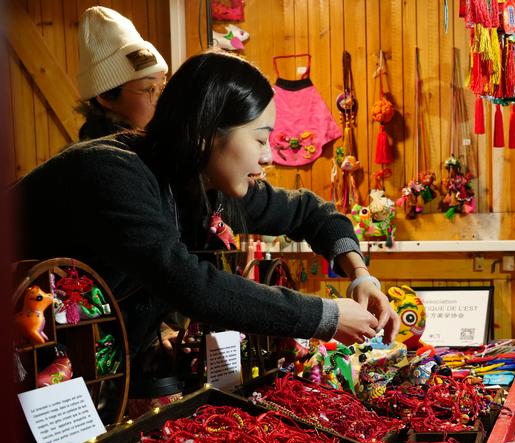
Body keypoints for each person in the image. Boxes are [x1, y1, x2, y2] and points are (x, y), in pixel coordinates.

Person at [13, 51, 400, 377]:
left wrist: (360, 275)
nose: (268, 156)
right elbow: (190, 284)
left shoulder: (204, 181)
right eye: (260, 139)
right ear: (204, 135)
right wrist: (323, 316)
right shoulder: (113, 174)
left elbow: (309, 212)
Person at [75, 6, 168, 140]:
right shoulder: (102, 152)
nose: (163, 100)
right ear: (106, 95)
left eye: (163, 86)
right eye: (150, 89)